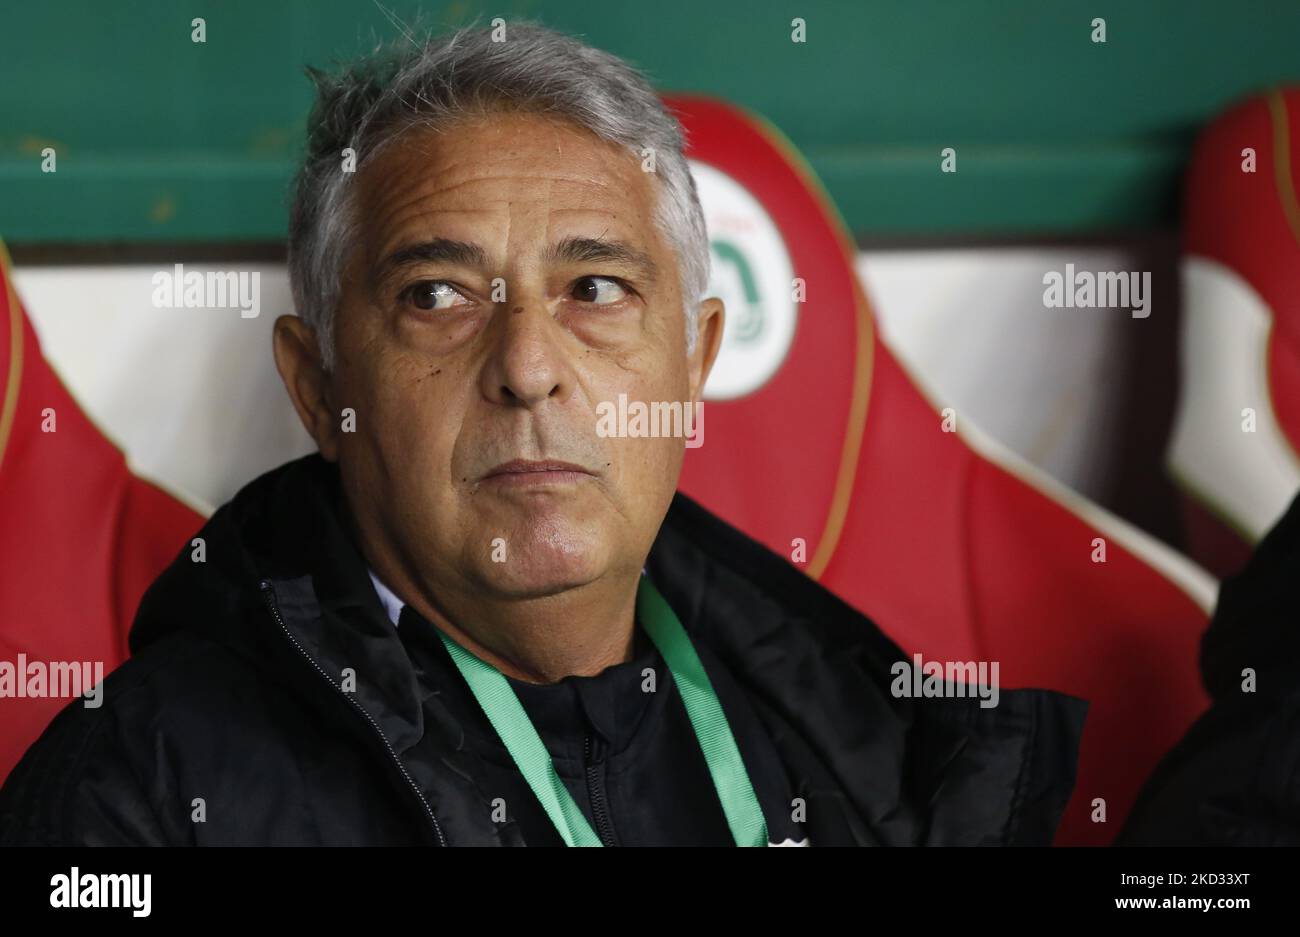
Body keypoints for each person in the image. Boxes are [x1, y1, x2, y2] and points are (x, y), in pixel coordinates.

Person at [0, 22, 1085, 846]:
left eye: (597, 288)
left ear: (695, 362)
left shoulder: (865, 744)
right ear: (316, 385)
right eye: (437, 296)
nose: (526, 368)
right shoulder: (138, 793)